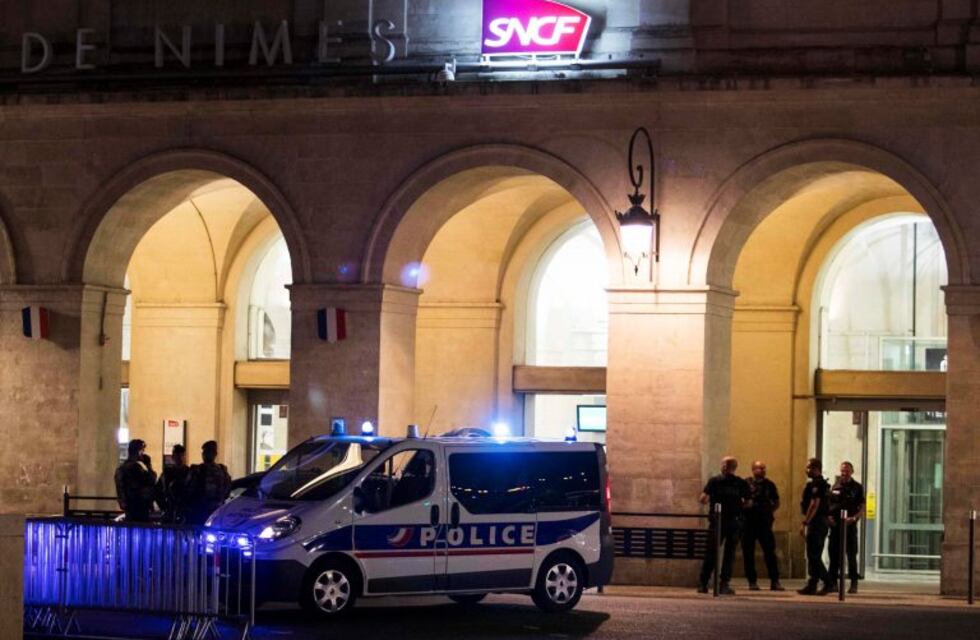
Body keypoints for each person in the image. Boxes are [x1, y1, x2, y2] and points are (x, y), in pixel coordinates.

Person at [697, 456, 750, 595]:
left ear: (724, 467)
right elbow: (748, 502)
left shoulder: (715, 481)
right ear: (735, 468)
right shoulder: (741, 483)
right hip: (734, 521)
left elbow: (703, 499)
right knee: (729, 554)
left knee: (711, 552)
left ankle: (703, 583)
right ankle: (724, 584)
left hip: (717, 521)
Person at [742, 460, 784, 591]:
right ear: (753, 469)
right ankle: (752, 581)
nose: (763, 470)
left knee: (770, 552)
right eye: (760, 468)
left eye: (764, 468)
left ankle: (775, 581)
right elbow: (740, 500)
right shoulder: (746, 483)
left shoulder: (769, 485)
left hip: (764, 523)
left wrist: (767, 511)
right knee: (748, 553)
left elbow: (776, 502)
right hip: (748, 523)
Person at [825, 461, 865, 594]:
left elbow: (862, 507)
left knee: (851, 555)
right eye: (842, 470)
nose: (844, 473)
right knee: (834, 555)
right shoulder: (835, 486)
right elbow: (830, 505)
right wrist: (829, 518)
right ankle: (833, 584)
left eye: (847, 470)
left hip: (850, 526)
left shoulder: (857, 487)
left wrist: (854, 518)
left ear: (852, 471)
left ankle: (854, 583)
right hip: (836, 526)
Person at [798, 458, 832, 595]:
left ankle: (828, 582)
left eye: (808, 467)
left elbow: (814, 504)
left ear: (815, 468)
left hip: (817, 522)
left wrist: (805, 522)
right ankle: (812, 584)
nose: (806, 470)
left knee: (813, 555)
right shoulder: (821, 484)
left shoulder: (817, 484)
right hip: (819, 521)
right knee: (814, 554)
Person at [184, 440, 232, 525]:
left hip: (209, 510)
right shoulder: (198, 470)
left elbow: (227, 489)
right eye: (204, 452)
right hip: (208, 509)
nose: (204, 454)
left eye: (207, 452)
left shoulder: (220, 470)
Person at [114, 439, 157, 522]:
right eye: (142, 451)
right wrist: (149, 465)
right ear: (138, 451)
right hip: (139, 507)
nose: (143, 453)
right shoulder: (135, 468)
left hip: (129, 508)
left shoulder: (121, 468)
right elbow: (152, 479)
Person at [156, 444, 190, 523]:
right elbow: (158, 491)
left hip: (184, 510)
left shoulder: (189, 472)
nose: (180, 458)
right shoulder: (167, 473)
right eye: (177, 456)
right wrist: (164, 506)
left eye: (182, 455)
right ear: (173, 457)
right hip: (170, 509)